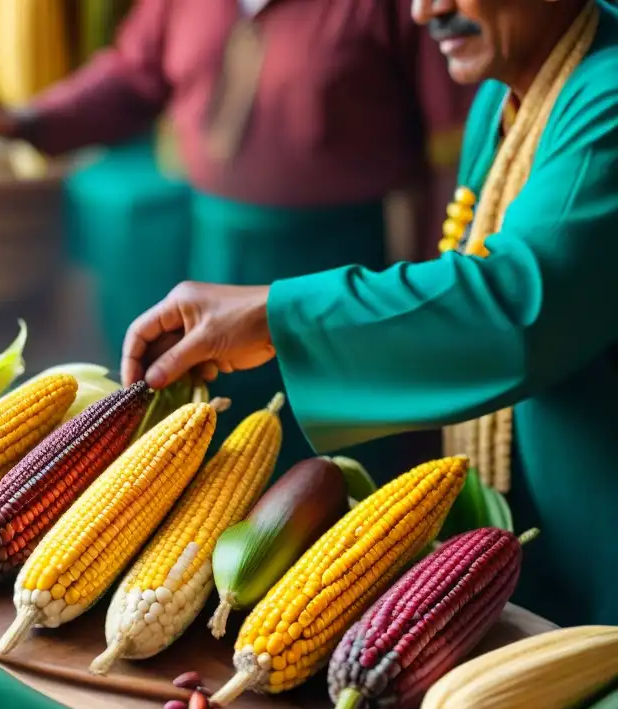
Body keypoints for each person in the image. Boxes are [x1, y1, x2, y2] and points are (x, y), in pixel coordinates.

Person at [120, 0, 618, 628]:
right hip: (526, 539)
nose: (424, 11)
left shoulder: (608, 96)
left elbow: (518, 307)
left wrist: (275, 315)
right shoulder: (501, 95)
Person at [0, 0, 475, 482]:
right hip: (212, 252)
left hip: (339, 270)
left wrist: (434, 287)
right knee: (216, 459)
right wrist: (26, 121)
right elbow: (131, 76)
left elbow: (452, 145)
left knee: (328, 476)